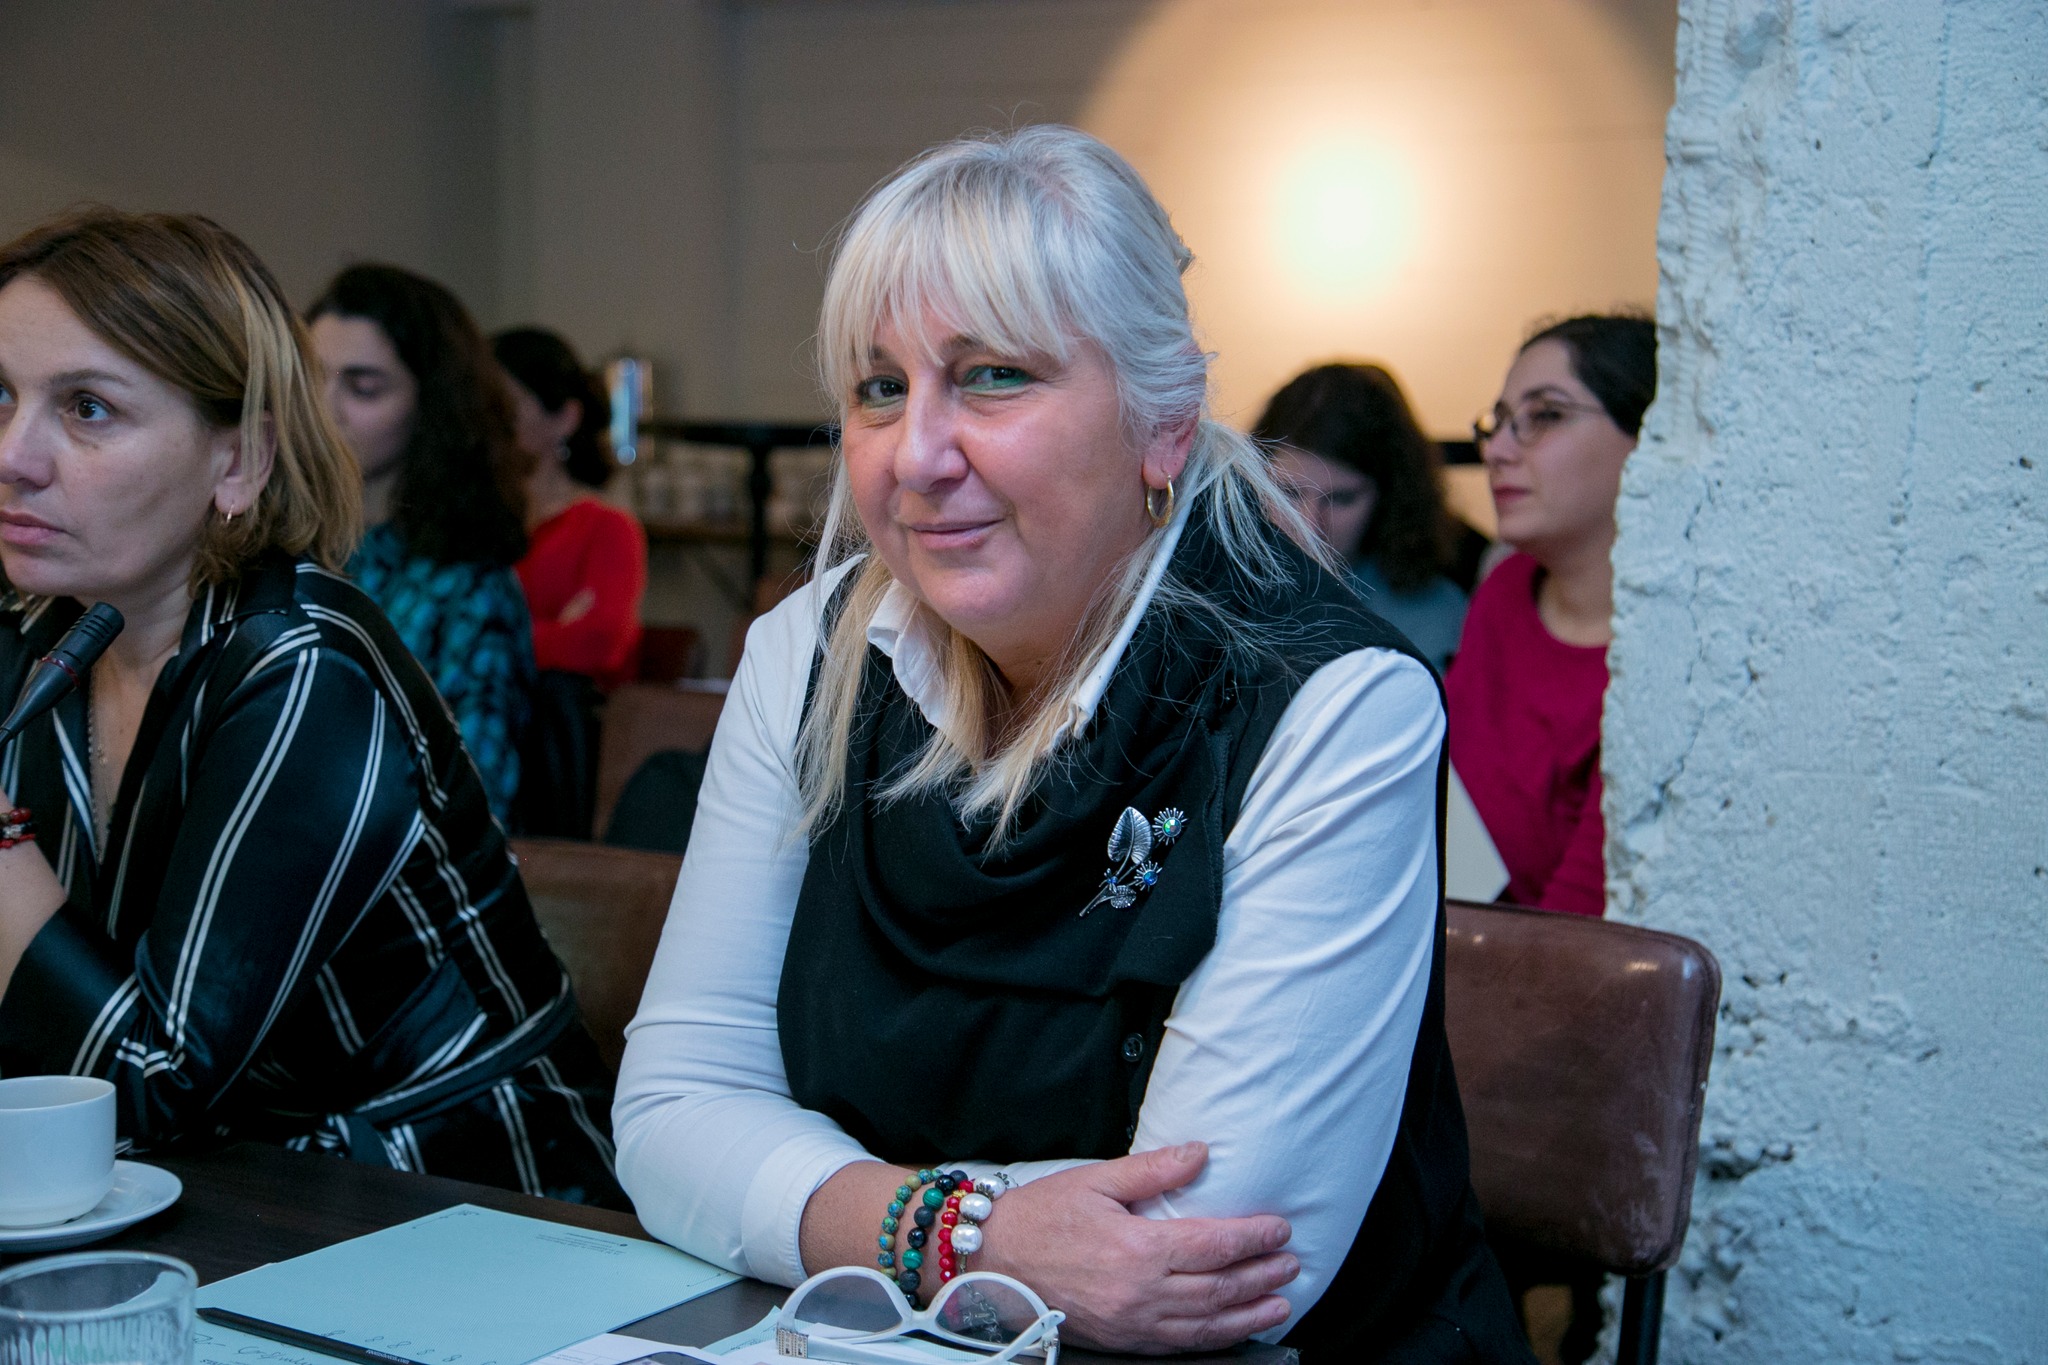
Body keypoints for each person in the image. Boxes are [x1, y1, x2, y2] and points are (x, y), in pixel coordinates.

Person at [613, 126, 1533, 1361]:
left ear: (1164, 423)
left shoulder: (1331, 702)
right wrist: (969, 1237)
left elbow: (1204, 1252)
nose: (916, 456)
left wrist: (802, 1198)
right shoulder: (803, 655)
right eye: (879, 389)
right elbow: (671, 1112)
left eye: (992, 376)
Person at [0, 210, 621, 1204]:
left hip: (458, 1197)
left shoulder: (300, 664)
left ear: (238, 463)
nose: (14, 455)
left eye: (88, 408)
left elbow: (153, 1087)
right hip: (203, 1181)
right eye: (0, 396)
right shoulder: (36, 629)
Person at [1445, 315, 1656, 918]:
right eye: (1499, 422)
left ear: (1648, 440)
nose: (1497, 450)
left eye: (1546, 415)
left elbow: (1575, 936)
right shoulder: (1507, 590)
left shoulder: (1661, 651)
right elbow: (1436, 807)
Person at [308, 265, 534, 824]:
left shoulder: (470, 588)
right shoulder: (280, 549)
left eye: (363, 387)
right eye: (309, 378)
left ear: (433, 406)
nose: (322, 409)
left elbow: (473, 807)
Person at [1252, 362, 1467, 670]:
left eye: (1341, 499)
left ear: (1391, 497)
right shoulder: (1213, 589)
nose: (1310, 525)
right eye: (1288, 493)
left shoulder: (1434, 615)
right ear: (1251, 481)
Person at [495, 327, 646, 691]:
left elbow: (599, 642)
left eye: (505, 404)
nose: (489, 420)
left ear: (564, 417)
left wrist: (493, 640)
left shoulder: (605, 527)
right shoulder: (475, 520)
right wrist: (551, 631)